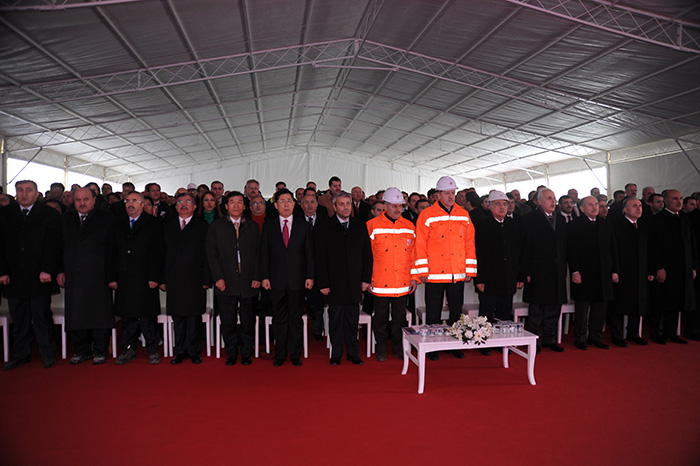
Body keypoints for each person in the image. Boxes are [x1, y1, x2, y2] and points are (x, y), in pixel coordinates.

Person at [0, 180, 61, 370]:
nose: (24, 194)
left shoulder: (49, 214)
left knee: (41, 316)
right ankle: (21, 354)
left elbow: (53, 245)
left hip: (40, 275)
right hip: (14, 275)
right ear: (15, 193)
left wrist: (47, 269)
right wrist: (2, 271)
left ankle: (47, 353)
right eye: (20, 190)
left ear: (36, 193)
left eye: (28, 190)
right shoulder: (4, 214)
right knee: (19, 318)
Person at [414, 176, 476, 361]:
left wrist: (470, 270)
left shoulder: (463, 214)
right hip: (434, 273)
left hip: (456, 273)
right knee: (433, 312)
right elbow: (420, 245)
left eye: (453, 193)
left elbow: (469, 243)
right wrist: (422, 271)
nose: (451, 197)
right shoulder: (426, 215)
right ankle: (432, 347)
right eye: (447, 193)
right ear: (438, 194)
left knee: (456, 311)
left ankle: (455, 345)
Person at [58, 187, 116, 365]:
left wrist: (112, 275)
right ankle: (81, 351)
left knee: (100, 314)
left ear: (94, 200)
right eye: (78, 200)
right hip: (74, 274)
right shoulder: (66, 219)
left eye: (85, 199)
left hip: (99, 274)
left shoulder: (107, 218)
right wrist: (60, 270)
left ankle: (100, 350)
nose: (82, 203)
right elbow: (59, 247)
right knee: (77, 313)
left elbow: (113, 249)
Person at [315, 191, 373, 366]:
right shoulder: (325, 227)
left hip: (354, 282)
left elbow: (367, 255)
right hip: (334, 283)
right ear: (334, 207)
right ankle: (336, 354)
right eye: (341, 204)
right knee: (335, 321)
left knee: (352, 320)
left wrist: (366, 279)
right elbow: (320, 258)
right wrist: (323, 283)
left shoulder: (360, 226)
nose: (345, 207)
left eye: (348, 204)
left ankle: (353, 353)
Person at [260, 189, 314, 367]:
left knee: (296, 319)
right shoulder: (269, 225)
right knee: (279, 319)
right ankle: (280, 355)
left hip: (298, 280)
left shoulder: (303, 225)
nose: (285, 204)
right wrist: (264, 276)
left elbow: (309, 253)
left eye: (289, 201)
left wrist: (310, 276)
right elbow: (264, 253)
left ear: (294, 203)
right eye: (281, 201)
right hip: (275, 281)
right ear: (276, 205)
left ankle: (295, 355)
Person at [206, 192, 261, 366]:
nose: (236, 206)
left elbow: (259, 254)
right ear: (226, 206)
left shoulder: (252, 227)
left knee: (248, 321)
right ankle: (231, 353)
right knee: (228, 321)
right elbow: (212, 254)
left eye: (239, 202)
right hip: (226, 281)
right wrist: (218, 278)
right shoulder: (216, 226)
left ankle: (246, 353)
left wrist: (257, 276)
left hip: (248, 281)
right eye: (232, 202)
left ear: (244, 206)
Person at [113, 191, 165, 365]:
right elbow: (111, 252)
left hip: (145, 278)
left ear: (142, 204)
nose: (130, 204)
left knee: (147, 317)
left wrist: (155, 277)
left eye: (134, 201)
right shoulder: (118, 223)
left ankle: (152, 350)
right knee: (127, 317)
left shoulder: (154, 223)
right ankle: (128, 349)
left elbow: (158, 253)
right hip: (124, 278)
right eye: (127, 201)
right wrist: (113, 277)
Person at [366, 187, 416, 361]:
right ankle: (380, 348)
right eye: (394, 206)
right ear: (385, 205)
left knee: (399, 318)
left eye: (400, 206)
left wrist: (414, 278)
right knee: (380, 317)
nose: (397, 209)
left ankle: (398, 347)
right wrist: (368, 279)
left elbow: (414, 255)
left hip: (402, 281)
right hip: (379, 281)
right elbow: (366, 256)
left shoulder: (409, 226)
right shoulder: (372, 225)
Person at [162, 192, 211, 364]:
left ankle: (194, 351)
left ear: (195, 207)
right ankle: (180, 351)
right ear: (175, 207)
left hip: (195, 278)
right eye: (180, 202)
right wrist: (162, 278)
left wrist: (207, 279)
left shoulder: (202, 226)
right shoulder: (167, 226)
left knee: (193, 318)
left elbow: (208, 255)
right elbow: (161, 254)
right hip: (174, 278)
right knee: (178, 318)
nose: (184, 205)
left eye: (188, 202)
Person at [474, 190, 524, 355]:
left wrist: (519, 275)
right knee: (486, 313)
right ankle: (483, 343)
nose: (502, 207)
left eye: (504, 204)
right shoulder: (482, 226)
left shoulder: (514, 225)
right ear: (490, 206)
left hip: (508, 276)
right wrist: (479, 279)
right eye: (498, 204)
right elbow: (479, 254)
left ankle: (502, 343)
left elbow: (519, 252)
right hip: (489, 277)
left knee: (504, 312)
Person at [567, 196, 620, 350]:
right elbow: (571, 250)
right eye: (590, 205)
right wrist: (575, 271)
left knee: (600, 307)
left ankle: (595, 337)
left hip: (603, 272)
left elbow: (613, 248)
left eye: (596, 204)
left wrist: (615, 270)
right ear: (582, 208)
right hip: (583, 273)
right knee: (582, 308)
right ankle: (580, 338)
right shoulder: (574, 225)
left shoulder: (605, 223)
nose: (595, 207)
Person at [648, 190, 698, 344]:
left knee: (677, 300)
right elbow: (654, 246)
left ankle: (671, 332)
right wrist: (659, 267)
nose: (679, 201)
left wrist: (693, 267)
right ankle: (656, 333)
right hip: (665, 269)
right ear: (666, 201)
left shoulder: (684, 218)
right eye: (675, 199)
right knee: (660, 301)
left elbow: (692, 244)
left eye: (681, 198)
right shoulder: (658, 219)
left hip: (682, 268)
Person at [521, 188, 568, 353]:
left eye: (554, 198)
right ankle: (534, 340)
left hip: (557, 270)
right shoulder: (529, 219)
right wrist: (526, 271)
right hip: (538, 270)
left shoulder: (560, 219)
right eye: (549, 198)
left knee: (554, 307)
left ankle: (549, 338)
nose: (553, 201)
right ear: (539, 201)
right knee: (537, 308)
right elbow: (525, 248)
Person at [608, 199, 653, 345]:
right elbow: (612, 250)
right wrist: (614, 270)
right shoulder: (616, 225)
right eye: (634, 206)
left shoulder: (643, 226)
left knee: (638, 302)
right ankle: (617, 335)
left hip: (640, 271)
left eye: (640, 206)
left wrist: (650, 270)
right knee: (619, 304)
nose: (638, 209)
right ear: (625, 210)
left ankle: (633, 333)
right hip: (622, 271)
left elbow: (649, 250)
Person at [300, 190, 328, 341]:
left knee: (317, 301)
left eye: (312, 202)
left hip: (319, 267)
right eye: (306, 202)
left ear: (317, 204)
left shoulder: (326, 221)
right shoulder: (296, 220)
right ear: (301, 205)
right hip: (299, 268)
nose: (309, 205)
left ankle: (317, 330)